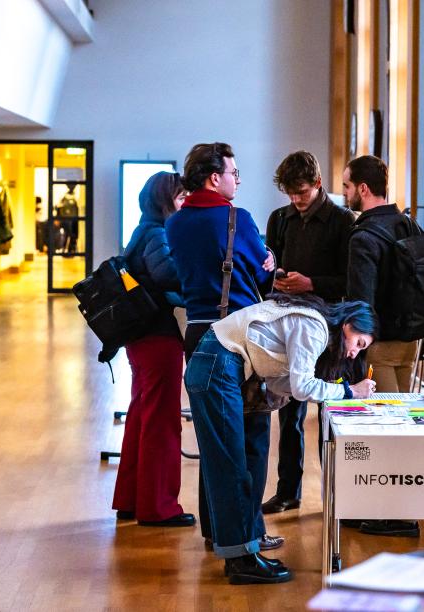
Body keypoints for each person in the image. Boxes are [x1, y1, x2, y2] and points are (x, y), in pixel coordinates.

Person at [185, 294, 377, 584]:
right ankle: (242, 562)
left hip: (215, 363)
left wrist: (328, 389)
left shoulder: (312, 323)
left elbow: (278, 380)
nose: (354, 353)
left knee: (230, 465)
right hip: (218, 366)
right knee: (231, 467)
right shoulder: (315, 327)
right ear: (348, 325)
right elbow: (302, 387)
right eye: (359, 343)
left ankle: (241, 553)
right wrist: (349, 391)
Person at [165, 143, 279, 550]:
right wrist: (270, 260)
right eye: (234, 172)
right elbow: (262, 277)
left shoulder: (175, 223)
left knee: (215, 438)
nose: (238, 180)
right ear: (215, 178)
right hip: (237, 337)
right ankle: (249, 533)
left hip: (197, 332)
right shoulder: (237, 219)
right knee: (251, 437)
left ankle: (216, 528)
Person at [262, 150, 355, 515]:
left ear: (318, 183)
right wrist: (277, 278)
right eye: (289, 193)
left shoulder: (342, 221)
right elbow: (268, 265)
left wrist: (311, 283)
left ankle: (335, 496)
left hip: (327, 326)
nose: (295, 199)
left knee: (330, 412)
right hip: (287, 321)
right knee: (289, 414)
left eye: (301, 192)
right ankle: (288, 491)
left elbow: (349, 280)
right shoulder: (279, 218)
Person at [342, 154, 422, 537]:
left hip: (380, 344)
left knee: (386, 425)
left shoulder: (363, 236)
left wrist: (354, 342)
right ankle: (393, 508)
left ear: (362, 188)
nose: (343, 193)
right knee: (402, 422)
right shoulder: (409, 224)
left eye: (346, 186)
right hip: (411, 340)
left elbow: (361, 301)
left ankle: (396, 515)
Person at [111, 172, 194, 527]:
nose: (185, 203)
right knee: (161, 421)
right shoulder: (158, 233)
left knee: (142, 415)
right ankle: (158, 507)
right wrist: (198, 267)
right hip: (158, 337)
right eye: (180, 197)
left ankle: (131, 499)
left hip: (139, 337)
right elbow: (167, 275)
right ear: (165, 201)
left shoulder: (140, 232)